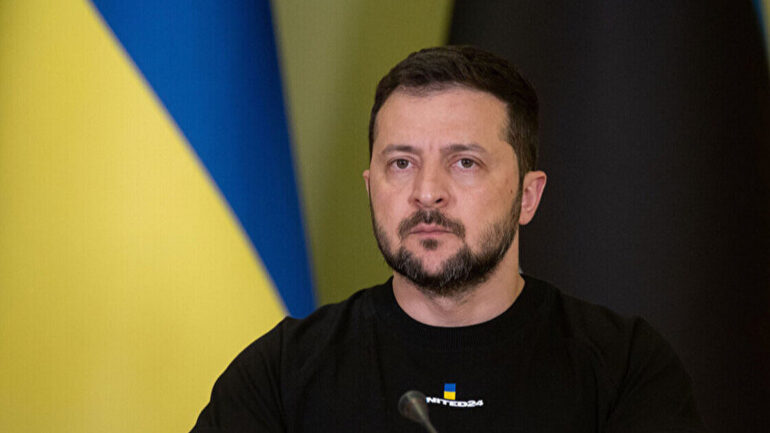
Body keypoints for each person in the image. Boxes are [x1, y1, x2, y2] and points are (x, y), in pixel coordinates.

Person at [191, 46, 706, 433]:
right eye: (401, 163)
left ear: (528, 197)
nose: (427, 192)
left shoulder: (624, 368)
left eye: (464, 162)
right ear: (371, 189)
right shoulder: (282, 373)